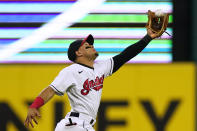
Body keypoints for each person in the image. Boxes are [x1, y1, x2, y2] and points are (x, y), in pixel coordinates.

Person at [24, 29, 160, 131]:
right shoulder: (71, 71)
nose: (91, 45)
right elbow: (51, 90)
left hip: (80, 124)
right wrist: (34, 106)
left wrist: (148, 38)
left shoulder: (100, 68)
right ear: (79, 53)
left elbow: (125, 55)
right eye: (87, 45)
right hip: (75, 124)